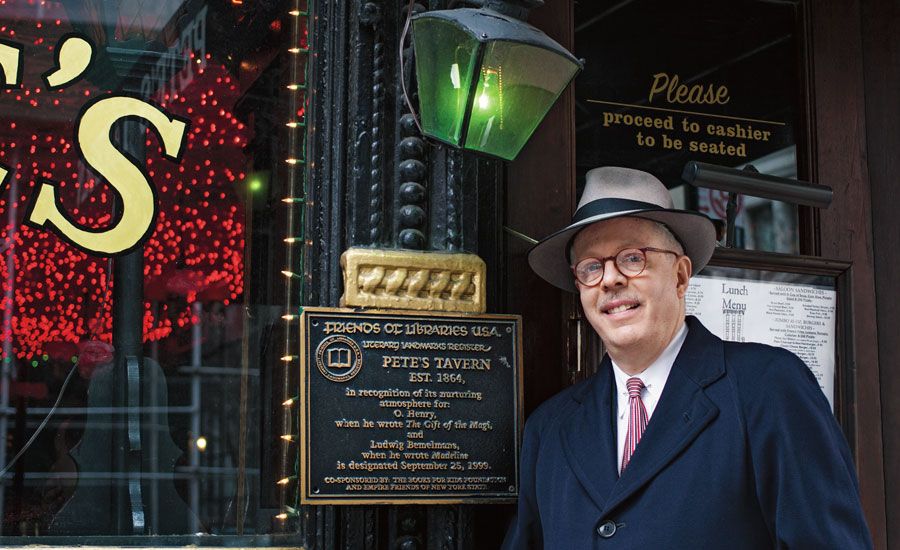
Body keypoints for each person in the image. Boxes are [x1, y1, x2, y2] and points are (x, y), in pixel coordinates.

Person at [502, 167, 872, 548]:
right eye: (591, 267)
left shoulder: (768, 386)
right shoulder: (549, 429)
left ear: (680, 276)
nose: (610, 280)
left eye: (632, 258)